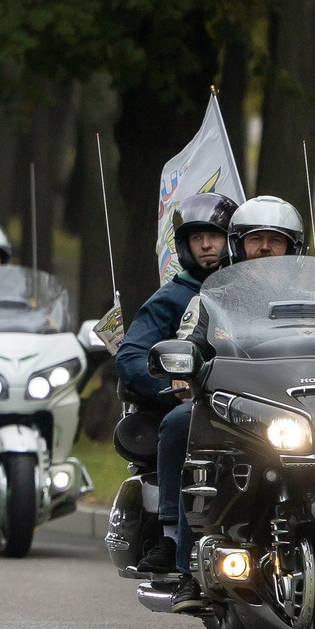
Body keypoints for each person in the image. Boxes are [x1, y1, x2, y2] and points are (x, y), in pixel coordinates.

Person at [115, 191, 238, 583]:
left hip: (248, 400)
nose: (206, 245)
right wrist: (171, 383)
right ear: (183, 247)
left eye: (215, 236)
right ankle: (170, 537)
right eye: (196, 238)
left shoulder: (250, 294)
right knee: (180, 423)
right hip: (191, 402)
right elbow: (131, 356)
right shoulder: (173, 297)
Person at [230, 194, 305, 262]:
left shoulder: (312, 277)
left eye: (276, 240)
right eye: (256, 239)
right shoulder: (221, 277)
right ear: (239, 246)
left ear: (291, 249)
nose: (265, 247)